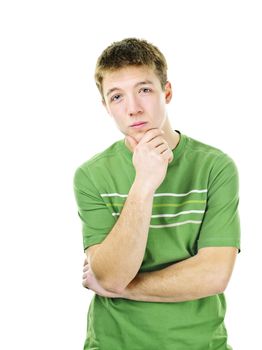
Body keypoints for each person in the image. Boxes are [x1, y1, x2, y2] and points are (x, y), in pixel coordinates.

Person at [73, 38, 240, 350]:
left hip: (200, 344)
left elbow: (214, 274)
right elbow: (110, 274)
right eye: (117, 96)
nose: (133, 107)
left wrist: (123, 288)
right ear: (107, 108)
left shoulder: (215, 167)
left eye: (144, 90)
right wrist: (144, 183)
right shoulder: (91, 175)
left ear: (167, 91)